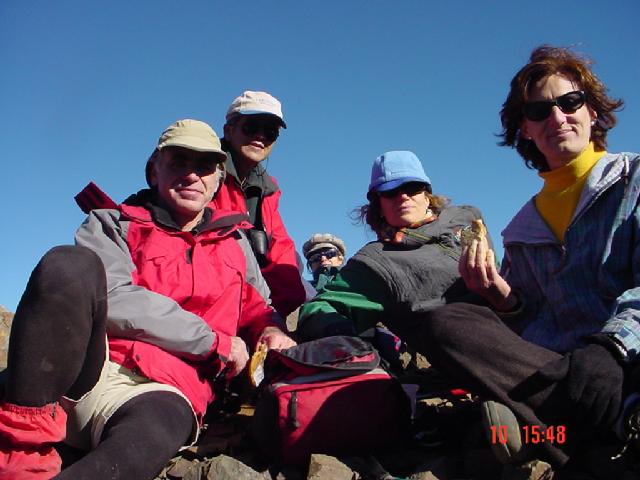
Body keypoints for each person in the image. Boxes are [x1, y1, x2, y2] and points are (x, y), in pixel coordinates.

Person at [0, 119, 295, 479]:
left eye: (204, 166)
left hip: (169, 388)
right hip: (89, 367)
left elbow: (257, 308)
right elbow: (114, 297)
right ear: (154, 171)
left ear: (218, 179)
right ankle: (22, 450)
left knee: (144, 442)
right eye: (178, 162)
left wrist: (271, 329)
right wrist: (213, 342)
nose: (192, 175)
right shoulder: (112, 223)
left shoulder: (236, 242)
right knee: (68, 265)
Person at [407, 45, 640, 472]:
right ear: (525, 129)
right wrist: (503, 299)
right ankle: (604, 428)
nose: (557, 117)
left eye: (570, 102)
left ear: (593, 112)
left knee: (493, 428)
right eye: (538, 111)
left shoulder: (634, 180)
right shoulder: (520, 229)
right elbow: (533, 323)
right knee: (448, 323)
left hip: (628, 359)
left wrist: (613, 346)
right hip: (559, 371)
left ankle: (552, 434)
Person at [297, 150, 487, 347]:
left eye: (412, 187)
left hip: (506, 311)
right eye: (390, 191)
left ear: (427, 195)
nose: (403, 196)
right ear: (378, 205)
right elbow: (319, 308)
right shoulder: (375, 262)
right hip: (467, 341)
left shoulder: (467, 217)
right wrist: (341, 333)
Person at [213, 91, 306, 318]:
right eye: (251, 127)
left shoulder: (268, 188)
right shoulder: (204, 172)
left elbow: (281, 247)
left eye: (270, 132)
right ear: (228, 130)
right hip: (219, 295)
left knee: (295, 265)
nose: (260, 136)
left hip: (256, 299)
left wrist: (279, 310)